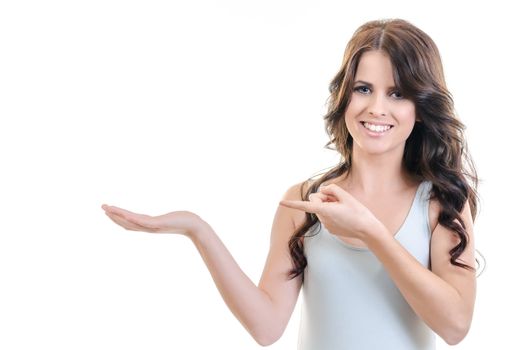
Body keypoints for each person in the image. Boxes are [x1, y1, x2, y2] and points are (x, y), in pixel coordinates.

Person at [102, 18, 481, 349]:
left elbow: (455, 326)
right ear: (344, 95)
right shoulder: (304, 202)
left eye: (397, 93)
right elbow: (266, 328)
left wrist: (371, 233)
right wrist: (197, 230)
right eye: (363, 88)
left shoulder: (440, 203)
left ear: (421, 108)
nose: (376, 108)